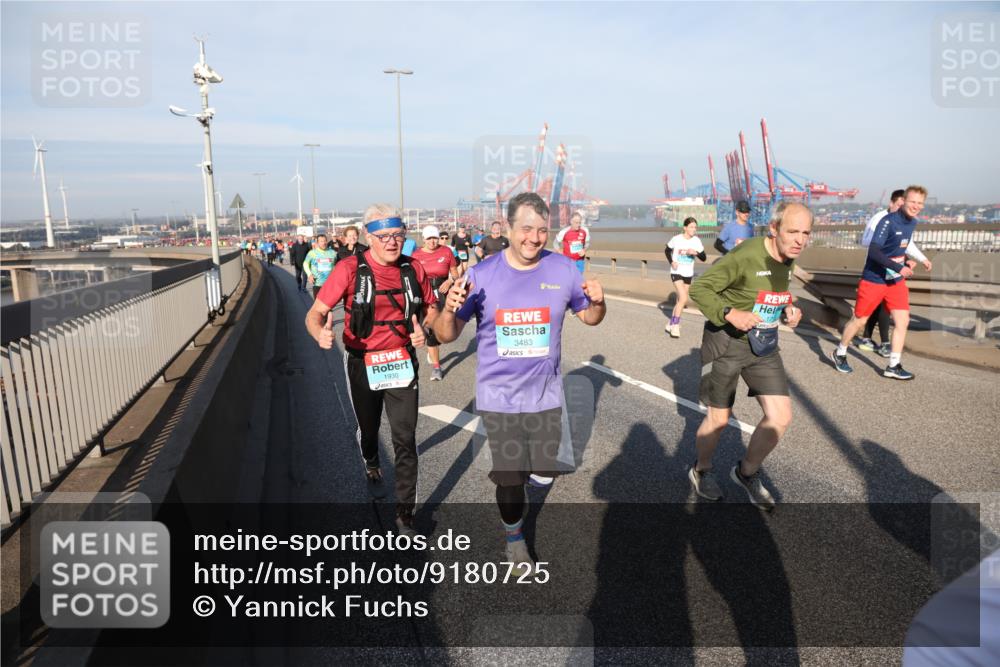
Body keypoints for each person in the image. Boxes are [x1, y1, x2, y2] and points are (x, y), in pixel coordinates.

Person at [434, 192, 606, 573]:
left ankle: (528, 479)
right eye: (526, 228)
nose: (534, 238)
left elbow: (590, 318)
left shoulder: (564, 270)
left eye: (542, 230)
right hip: (500, 397)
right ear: (509, 228)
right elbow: (446, 335)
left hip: (546, 395)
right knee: (510, 480)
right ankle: (514, 539)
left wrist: (598, 303)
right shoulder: (480, 275)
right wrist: (447, 310)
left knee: (543, 471)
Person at [305, 205, 436, 536]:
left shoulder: (413, 268)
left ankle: (405, 514)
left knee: (405, 437)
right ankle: (373, 463)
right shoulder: (349, 269)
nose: (392, 242)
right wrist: (319, 333)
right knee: (369, 428)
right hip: (362, 361)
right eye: (383, 236)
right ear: (368, 236)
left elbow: (430, 307)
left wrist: (424, 327)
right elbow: (315, 313)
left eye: (398, 235)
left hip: (401, 360)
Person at [687, 201, 811, 511]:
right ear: (774, 229)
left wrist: (789, 309)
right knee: (719, 419)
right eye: (793, 232)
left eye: (806, 233)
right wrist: (730, 313)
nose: (800, 240)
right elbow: (700, 289)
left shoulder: (789, 257)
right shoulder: (745, 255)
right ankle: (701, 469)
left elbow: (774, 293)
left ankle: (746, 472)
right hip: (726, 343)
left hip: (763, 344)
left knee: (781, 417)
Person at [830, 185, 930, 380]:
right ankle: (840, 352)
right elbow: (874, 251)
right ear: (903, 201)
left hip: (895, 281)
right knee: (860, 320)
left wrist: (914, 260)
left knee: (903, 321)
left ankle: (893, 365)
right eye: (912, 202)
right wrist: (899, 267)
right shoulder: (887, 221)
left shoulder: (912, 223)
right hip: (874, 279)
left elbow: (901, 246)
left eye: (920, 203)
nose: (916, 206)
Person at [856, 189, 932, 356]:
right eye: (899, 205)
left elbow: (905, 244)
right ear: (893, 203)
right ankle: (870, 341)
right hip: (876, 269)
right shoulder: (881, 219)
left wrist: (919, 259)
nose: (901, 208)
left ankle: (878, 342)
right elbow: (868, 243)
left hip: (893, 270)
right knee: (871, 311)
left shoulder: (907, 221)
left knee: (885, 308)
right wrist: (883, 241)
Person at [411, 225, 459, 381]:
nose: (432, 242)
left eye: (435, 238)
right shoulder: (416, 255)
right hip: (425, 293)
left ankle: (433, 348)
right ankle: (437, 367)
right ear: (423, 239)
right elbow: (411, 277)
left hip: (443, 291)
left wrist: (450, 281)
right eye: (429, 238)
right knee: (430, 330)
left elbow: (455, 273)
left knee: (442, 330)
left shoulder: (446, 251)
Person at [664, 217, 707, 337]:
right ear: (685, 228)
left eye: (695, 227)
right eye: (691, 227)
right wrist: (672, 262)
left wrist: (695, 253)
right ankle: (675, 325)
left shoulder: (696, 241)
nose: (694, 229)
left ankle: (670, 323)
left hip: (688, 274)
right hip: (676, 271)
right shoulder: (676, 239)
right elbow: (667, 250)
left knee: (680, 301)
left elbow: (704, 258)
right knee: (683, 298)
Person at [303, 234, 338, 298]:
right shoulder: (312, 253)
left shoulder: (333, 253)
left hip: (330, 283)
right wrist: (309, 274)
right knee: (318, 304)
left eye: (325, 241)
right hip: (318, 284)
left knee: (329, 303)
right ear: (317, 242)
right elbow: (305, 264)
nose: (323, 243)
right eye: (321, 241)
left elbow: (337, 265)